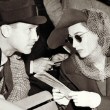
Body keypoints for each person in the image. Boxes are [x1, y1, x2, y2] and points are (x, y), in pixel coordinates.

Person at [47, 8, 110, 110]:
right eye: (71, 39)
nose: (74, 45)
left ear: (97, 32)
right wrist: (65, 103)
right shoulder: (68, 67)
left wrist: (99, 102)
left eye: (79, 37)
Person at [0, 0, 48, 109]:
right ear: (6, 31)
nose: (35, 37)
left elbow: (22, 85)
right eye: (29, 29)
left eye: (36, 30)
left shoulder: (14, 56)